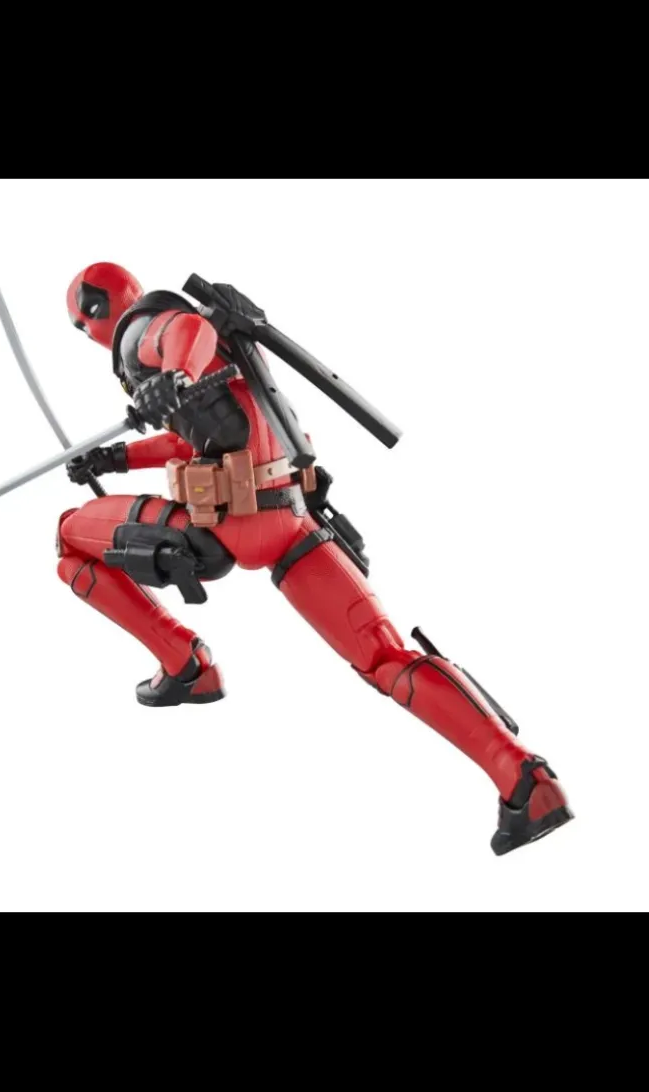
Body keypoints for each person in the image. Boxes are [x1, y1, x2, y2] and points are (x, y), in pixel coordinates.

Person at [57, 262, 572, 855]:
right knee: (385, 658)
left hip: (223, 530)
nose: (87, 332)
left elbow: (184, 334)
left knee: (69, 539)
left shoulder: (142, 332)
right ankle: (524, 780)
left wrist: (172, 373)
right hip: (290, 519)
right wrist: (116, 459)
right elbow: (190, 434)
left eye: (83, 321)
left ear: (97, 310)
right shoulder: (217, 351)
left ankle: (187, 665)